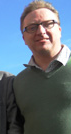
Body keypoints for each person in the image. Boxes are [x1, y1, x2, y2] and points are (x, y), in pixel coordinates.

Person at [14, 0, 71, 133]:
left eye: (48, 24)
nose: (40, 31)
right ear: (23, 38)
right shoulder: (19, 81)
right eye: (32, 27)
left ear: (59, 30)